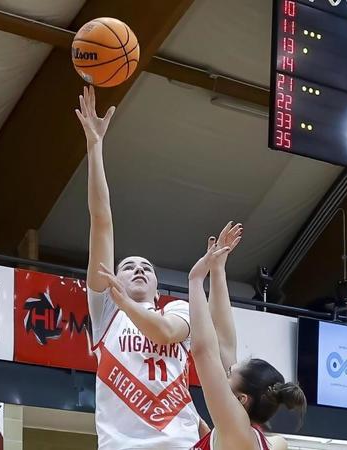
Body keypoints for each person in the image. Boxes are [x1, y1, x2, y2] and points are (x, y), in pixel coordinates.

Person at [76, 85, 203, 450]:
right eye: (128, 265)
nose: (138, 269)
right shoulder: (106, 311)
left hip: (178, 443)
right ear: (113, 277)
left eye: (146, 267)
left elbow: (164, 333)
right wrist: (95, 147)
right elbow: (101, 220)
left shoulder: (178, 310)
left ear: (158, 287)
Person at [188, 223, 306, 450]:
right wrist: (217, 269)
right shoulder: (269, 442)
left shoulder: (238, 433)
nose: (225, 371)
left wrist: (195, 281)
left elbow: (203, 351)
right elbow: (223, 340)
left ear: (242, 399)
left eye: (229, 374)